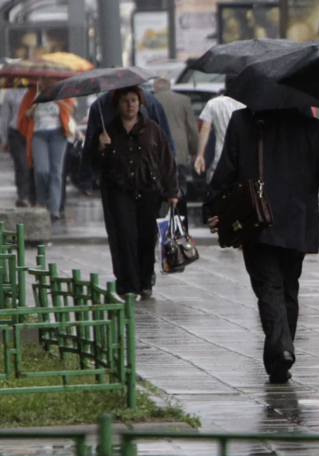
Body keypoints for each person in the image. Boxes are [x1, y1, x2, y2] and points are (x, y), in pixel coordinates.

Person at [206, 107, 319, 384]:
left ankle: (281, 349)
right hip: (297, 220)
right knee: (289, 288)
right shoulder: (315, 127)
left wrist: (212, 207)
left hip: (256, 217)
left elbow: (226, 170)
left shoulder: (245, 120)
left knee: (269, 287)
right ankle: (281, 356)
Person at [83, 88, 177, 296]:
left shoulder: (152, 129)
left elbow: (166, 159)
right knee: (125, 236)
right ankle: (130, 285)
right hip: (120, 191)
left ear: (140, 103)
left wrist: (172, 191)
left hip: (148, 190)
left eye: (134, 100)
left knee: (146, 237)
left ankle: (145, 281)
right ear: (117, 105)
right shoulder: (108, 130)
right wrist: (100, 147)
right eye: (125, 101)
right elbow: (95, 163)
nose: (130, 104)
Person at [17, 78, 75, 220]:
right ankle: (42, 201)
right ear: (40, 81)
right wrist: (33, 107)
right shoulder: (32, 93)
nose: (48, 82)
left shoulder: (61, 92)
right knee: (42, 170)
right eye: (44, 79)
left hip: (58, 135)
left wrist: (58, 100)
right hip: (38, 134)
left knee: (56, 172)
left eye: (50, 79)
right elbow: (24, 115)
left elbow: (70, 108)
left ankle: (54, 209)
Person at [153, 74, 198, 228]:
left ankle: (159, 223)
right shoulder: (183, 100)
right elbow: (192, 129)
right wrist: (194, 151)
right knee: (180, 187)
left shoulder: (151, 100)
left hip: (157, 152)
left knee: (158, 189)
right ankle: (180, 224)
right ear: (169, 85)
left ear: (155, 86)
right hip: (179, 151)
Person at [194, 75, 246, 182]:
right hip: (243, 158)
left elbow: (205, 129)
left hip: (220, 159)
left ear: (225, 84)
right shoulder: (246, 103)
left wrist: (200, 155)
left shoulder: (214, 103)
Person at [1, 87, 32, 207]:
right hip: (16, 132)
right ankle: (23, 195)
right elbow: (5, 117)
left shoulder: (34, 92)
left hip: (32, 131)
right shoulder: (10, 94)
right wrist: (4, 139)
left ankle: (32, 194)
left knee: (31, 165)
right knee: (21, 164)